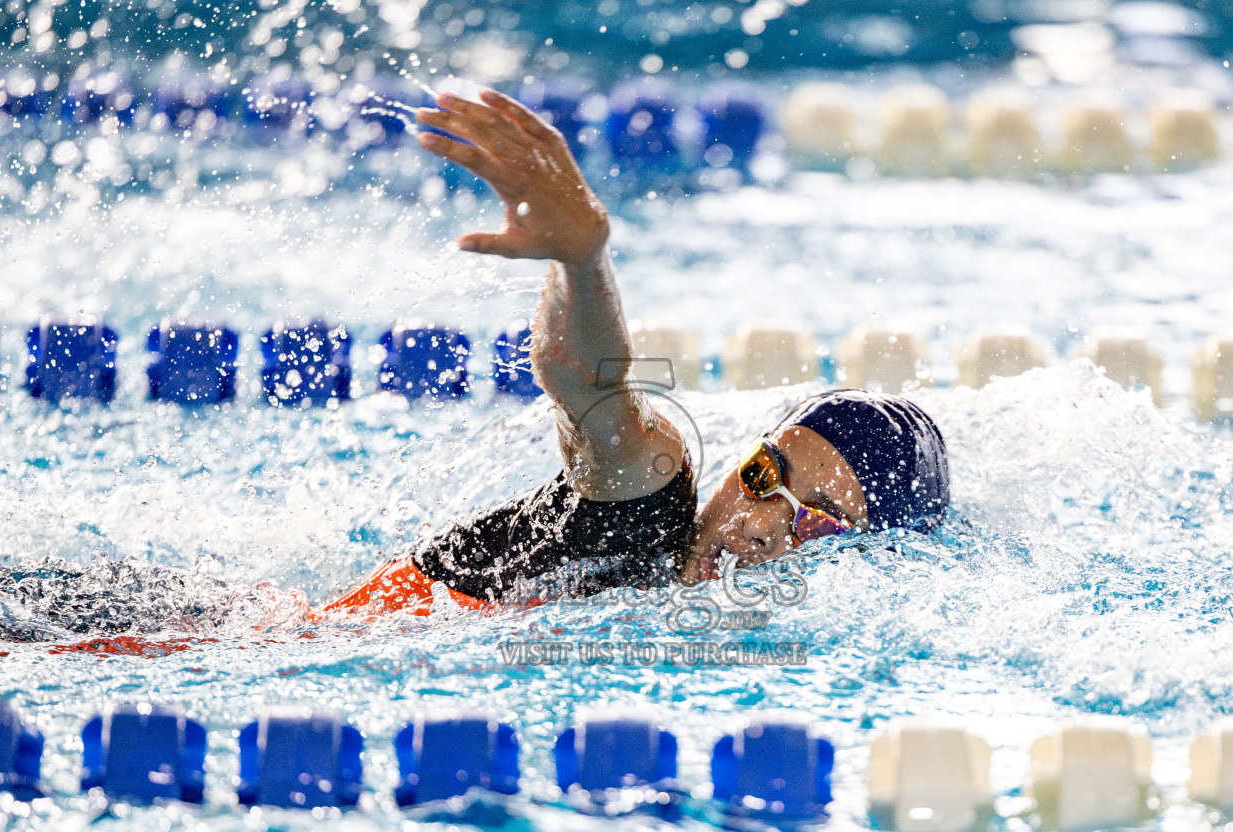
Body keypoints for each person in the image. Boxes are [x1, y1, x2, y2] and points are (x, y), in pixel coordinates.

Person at [320, 89, 950, 619]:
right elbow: (585, 383)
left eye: (817, 523)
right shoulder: (644, 506)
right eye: (762, 476)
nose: (755, 526)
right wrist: (583, 261)